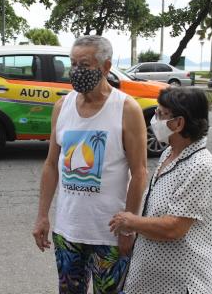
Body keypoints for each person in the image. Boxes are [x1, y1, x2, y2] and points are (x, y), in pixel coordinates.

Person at [32, 35, 148, 294]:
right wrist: (42, 216)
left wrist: (129, 225)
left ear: (106, 67)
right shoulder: (62, 107)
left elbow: (139, 172)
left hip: (109, 234)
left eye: (83, 64)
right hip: (68, 232)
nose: (75, 71)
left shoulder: (126, 109)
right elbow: (51, 164)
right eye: (72, 64)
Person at [109, 87, 212, 294]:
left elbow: (174, 228)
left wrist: (130, 221)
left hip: (178, 284)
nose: (154, 120)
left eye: (160, 114)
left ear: (178, 123)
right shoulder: (170, 153)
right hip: (151, 281)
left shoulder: (200, 166)